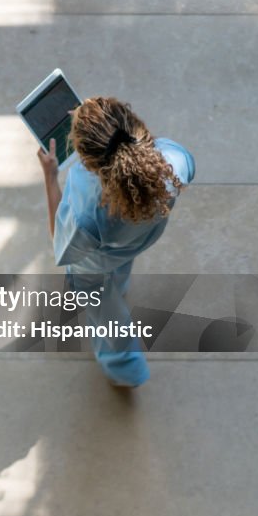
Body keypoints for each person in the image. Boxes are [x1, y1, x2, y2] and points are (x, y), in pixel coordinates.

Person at [36, 97, 195, 387]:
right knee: (120, 270)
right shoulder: (175, 160)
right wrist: (99, 124)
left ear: (87, 161)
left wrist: (50, 177)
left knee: (107, 313)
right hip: (139, 239)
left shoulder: (86, 204)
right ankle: (120, 287)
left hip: (94, 263)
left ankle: (126, 370)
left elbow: (63, 245)